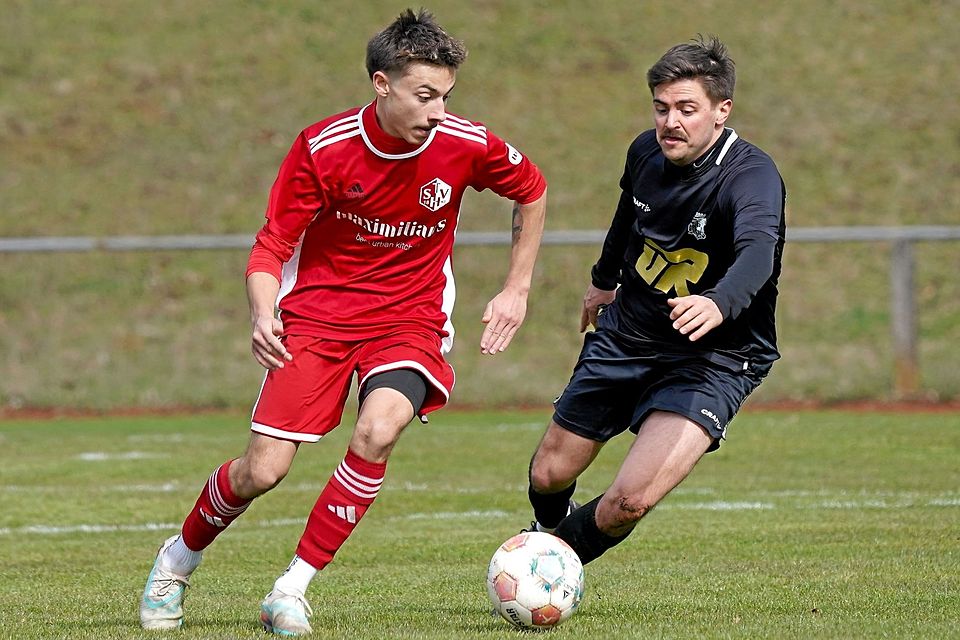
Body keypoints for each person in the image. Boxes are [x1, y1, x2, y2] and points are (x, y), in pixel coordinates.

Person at [140, 8, 547, 635]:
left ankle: (291, 590)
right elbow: (272, 245)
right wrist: (261, 310)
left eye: (446, 96)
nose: (438, 111)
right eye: (424, 95)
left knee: (379, 430)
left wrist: (516, 288)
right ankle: (178, 559)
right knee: (262, 471)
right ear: (381, 84)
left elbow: (531, 188)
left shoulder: (465, 143)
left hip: (410, 319)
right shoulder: (323, 148)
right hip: (319, 318)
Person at [525, 35, 785, 565]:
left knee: (628, 500)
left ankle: (547, 564)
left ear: (721, 111)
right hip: (629, 334)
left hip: (712, 357)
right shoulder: (645, 150)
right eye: (662, 108)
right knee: (547, 473)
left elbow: (759, 253)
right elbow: (628, 216)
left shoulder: (752, 177)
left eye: (687, 109)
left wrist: (719, 302)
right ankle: (544, 536)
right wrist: (602, 280)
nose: (671, 122)